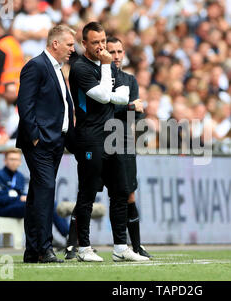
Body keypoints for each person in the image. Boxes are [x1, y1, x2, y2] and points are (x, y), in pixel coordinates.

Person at [68, 22, 148, 262]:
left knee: (121, 192)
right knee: (88, 193)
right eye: (95, 42)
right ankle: (83, 248)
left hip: (112, 137)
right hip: (90, 137)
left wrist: (113, 97)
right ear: (84, 44)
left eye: (103, 41)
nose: (101, 47)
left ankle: (121, 247)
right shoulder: (80, 68)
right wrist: (107, 75)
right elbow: (104, 97)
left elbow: (122, 95)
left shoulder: (108, 68)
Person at [16, 25, 76, 264]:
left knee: (37, 194)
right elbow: (25, 103)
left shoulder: (56, 69)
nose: (73, 49)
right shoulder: (36, 66)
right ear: (55, 44)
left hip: (54, 141)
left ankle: (32, 250)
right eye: (70, 44)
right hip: (41, 142)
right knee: (45, 192)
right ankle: (44, 248)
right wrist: (35, 137)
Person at [106, 36, 151, 258]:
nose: (116, 56)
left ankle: (136, 245)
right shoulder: (98, 77)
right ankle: (75, 246)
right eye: (111, 51)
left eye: (119, 52)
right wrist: (130, 106)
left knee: (129, 195)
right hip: (101, 141)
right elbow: (104, 111)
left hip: (124, 142)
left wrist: (130, 107)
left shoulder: (130, 80)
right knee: (88, 193)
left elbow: (134, 114)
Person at [0, 149, 69, 241]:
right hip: (3, 209)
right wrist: (19, 198)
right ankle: (45, 239)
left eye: (16, 160)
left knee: (49, 203)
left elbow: (22, 194)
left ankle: (67, 235)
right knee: (36, 205)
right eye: (11, 159)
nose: (14, 162)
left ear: (20, 162)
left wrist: (24, 197)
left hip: (19, 206)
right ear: (5, 161)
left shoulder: (20, 176)